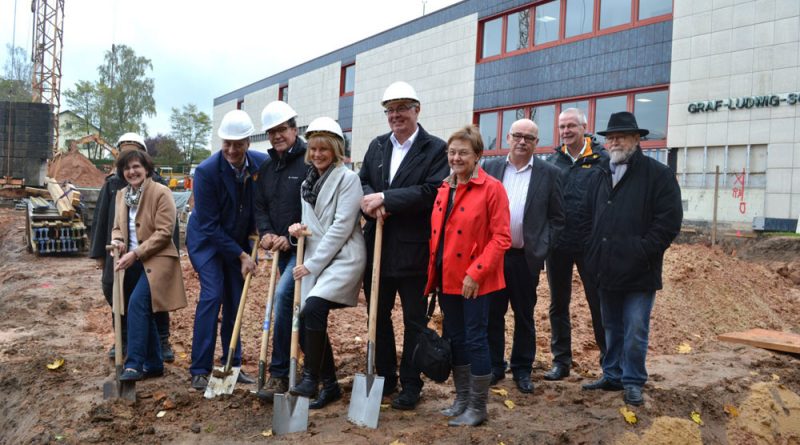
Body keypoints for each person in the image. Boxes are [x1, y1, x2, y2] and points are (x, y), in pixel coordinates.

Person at [580, 111, 682, 406]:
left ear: (637, 140)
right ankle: (612, 374)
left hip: (639, 270)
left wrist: (641, 250)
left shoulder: (658, 175)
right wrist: (591, 250)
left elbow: (668, 222)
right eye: (610, 137)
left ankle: (633, 379)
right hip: (606, 267)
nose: (613, 142)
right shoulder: (600, 173)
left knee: (636, 328)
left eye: (620, 136)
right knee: (610, 326)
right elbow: (587, 217)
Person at [358, 81, 449, 409]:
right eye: (390, 110)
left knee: (414, 320)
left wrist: (386, 198)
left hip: (414, 252)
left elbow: (432, 191)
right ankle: (384, 378)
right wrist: (371, 201)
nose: (396, 115)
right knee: (377, 318)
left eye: (402, 108)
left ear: (417, 110)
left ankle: (411, 383)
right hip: (378, 249)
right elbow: (364, 179)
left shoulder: (435, 148)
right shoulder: (377, 145)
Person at [425, 125, 511, 427]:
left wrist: (475, 273)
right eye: (452, 152)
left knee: (476, 339)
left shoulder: (492, 189)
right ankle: (461, 399)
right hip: (447, 278)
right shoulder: (444, 188)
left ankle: (478, 406)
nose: (456, 158)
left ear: (477, 156)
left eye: (463, 152)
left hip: (477, 280)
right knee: (456, 338)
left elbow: (501, 238)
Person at [286, 117, 365, 409]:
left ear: (335, 150)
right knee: (306, 316)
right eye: (314, 149)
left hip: (344, 256)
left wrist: (313, 264)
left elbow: (342, 226)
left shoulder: (348, 179)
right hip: (316, 257)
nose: (317, 154)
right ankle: (329, 385)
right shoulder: (308, 182)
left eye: (324, 149)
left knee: (315, 307)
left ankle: (310, 377)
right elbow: (311, 226)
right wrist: (297, 232)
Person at [186, 110, 267, 391]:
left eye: (238, 143)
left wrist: (256, 244)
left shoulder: (261, 164)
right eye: (227, 144)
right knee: (213, 294)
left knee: (236, 299)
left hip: (240, 240)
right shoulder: (207, 172)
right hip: (207, 241)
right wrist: (242, 255)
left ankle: (232, 363)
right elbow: (208, 225)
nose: (232, 150)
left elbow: (264, 203)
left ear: (248, 142)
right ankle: (199, 368)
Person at [483, 119, 564, 393]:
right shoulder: (490, 168)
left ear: (536, 142)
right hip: (494, 256)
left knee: (524, 316)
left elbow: (558, 218)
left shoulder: (549, 173)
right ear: (508, 137)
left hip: (526, 257)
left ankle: (521, 369)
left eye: (529, 138)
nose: (522, 141)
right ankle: (495, 366)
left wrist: (542, 246)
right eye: (518, 135)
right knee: (493, 314)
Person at [89, 133, 176, 362]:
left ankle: (161, 340)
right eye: (125, 158)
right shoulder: (113, 186)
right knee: (117, 294)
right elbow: (103, 220)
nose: (131, 169)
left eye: (134, 159)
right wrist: (100, 255)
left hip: (151, 254)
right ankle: (123, 339)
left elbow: (168, 228)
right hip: (119, 253)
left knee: (153, 298)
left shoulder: (159, 186)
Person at [110, 149, 187, 381]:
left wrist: (135, 253)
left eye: (136, 167)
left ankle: (133, 364)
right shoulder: (122, 195)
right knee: (145, 312)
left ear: (146, 169)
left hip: (158, 260)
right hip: (132, 261)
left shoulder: (161, 192)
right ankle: (153, 364)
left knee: (136, 305)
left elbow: (164, 233)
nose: (131, 172)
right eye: (127, 168)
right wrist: (118, 240)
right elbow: (117, 226)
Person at [543, 108, 608, 381]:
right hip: (558, 245)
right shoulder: (552, 161)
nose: (566, 131)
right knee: (558, 304)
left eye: (571, 126)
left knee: (598, 302)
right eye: (562, 127)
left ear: (584, 127)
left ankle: (609, 362)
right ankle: (561, 361)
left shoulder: (602, 160)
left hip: (590, 244)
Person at [253, 101, 307, 401]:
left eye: (282, 130)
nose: (277, 136)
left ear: (294, 129)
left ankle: (279, 372)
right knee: (292, 306)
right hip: (282, 250)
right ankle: (309, 369)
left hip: (306, 250)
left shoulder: (309, 162)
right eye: (271, 132)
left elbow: (314, 208)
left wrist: (293, 238)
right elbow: (260, 206)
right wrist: (267, 233)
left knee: (284, 298)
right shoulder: (267, 168)